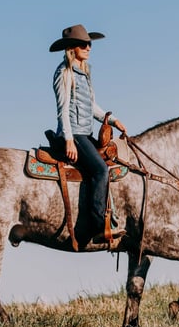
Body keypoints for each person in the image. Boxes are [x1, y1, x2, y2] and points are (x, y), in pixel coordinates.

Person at [49, 24, 127, 245]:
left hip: (85, 132)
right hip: (74, 134)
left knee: (110, 162)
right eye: (84, 44)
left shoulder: (85, 72)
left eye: (89, 43)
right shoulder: (64, 73)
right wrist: (69, 140)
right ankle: (96, 225)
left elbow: (92, 106)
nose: (88, 47)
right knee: (100, 170)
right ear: (72, 48)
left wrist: (112, 120)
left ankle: (110, 217)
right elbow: (62, 110)